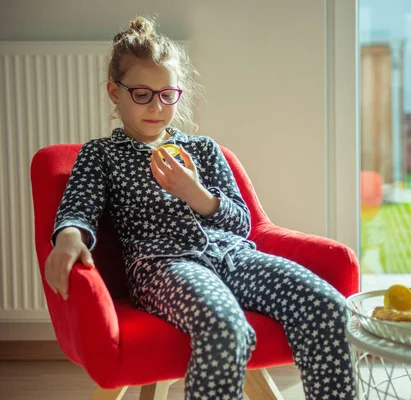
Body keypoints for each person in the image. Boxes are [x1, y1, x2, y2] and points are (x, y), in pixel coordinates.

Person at [44, 16, 356, 400]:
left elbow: (243, 223)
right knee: (226, 328)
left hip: (233, 256)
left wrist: (196, 193)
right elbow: (79, 206)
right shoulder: (102, 155)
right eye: (141, 94)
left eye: (167, 94)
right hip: (163, 266)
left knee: (330, 308)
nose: (156, 107)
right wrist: (69, 237)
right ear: (114, 92)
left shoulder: (204, 150)